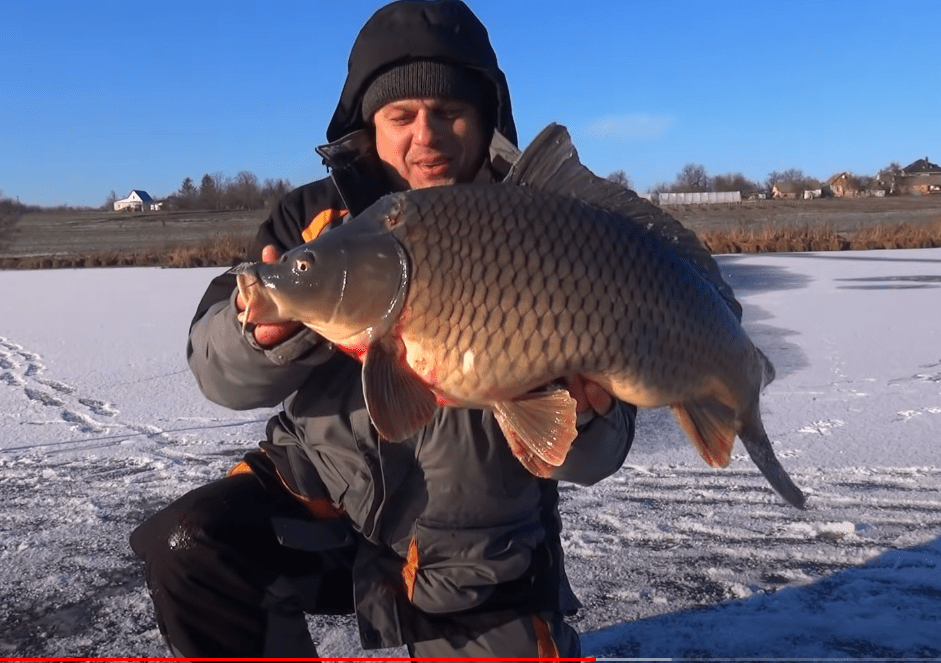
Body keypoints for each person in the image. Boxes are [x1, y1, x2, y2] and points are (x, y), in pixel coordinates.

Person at [131, 0, 636, 658]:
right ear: (369, 126)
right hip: (320, 501)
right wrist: (265, 334)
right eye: (401, 116)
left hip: (477, 553)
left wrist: (586, 417)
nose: (424, 137)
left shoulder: (541, 230)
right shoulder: (311, 219)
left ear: (486, 121)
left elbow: (598, 455)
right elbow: (215, 370)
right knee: (190, 544)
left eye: (449, 113)